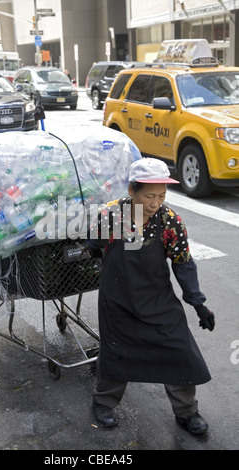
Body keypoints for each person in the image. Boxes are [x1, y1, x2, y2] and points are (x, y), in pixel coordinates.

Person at [86, 157, 215, 434]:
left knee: (179, 349)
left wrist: (197, 302)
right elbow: (93, 244)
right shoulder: (112, 216)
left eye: (161, 195)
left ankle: (186, 412)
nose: (156, 202)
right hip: (119, 300)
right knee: (117, 352)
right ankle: (103, 404)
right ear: (132, 191)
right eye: (149, 196)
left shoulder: (169, 221)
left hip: (158, 300)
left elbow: (182, 262)